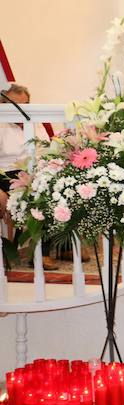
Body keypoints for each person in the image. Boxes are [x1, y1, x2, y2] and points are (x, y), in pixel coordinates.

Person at [0, 84, 57, 270]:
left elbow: (50, 149)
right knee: (40, 193)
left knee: (58, 189)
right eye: (14, 105)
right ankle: (38, 252)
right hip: (6, 174)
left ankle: (58, 247)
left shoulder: (37, 122)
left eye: (24, 104)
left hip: (38, 171)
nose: (19, 110)